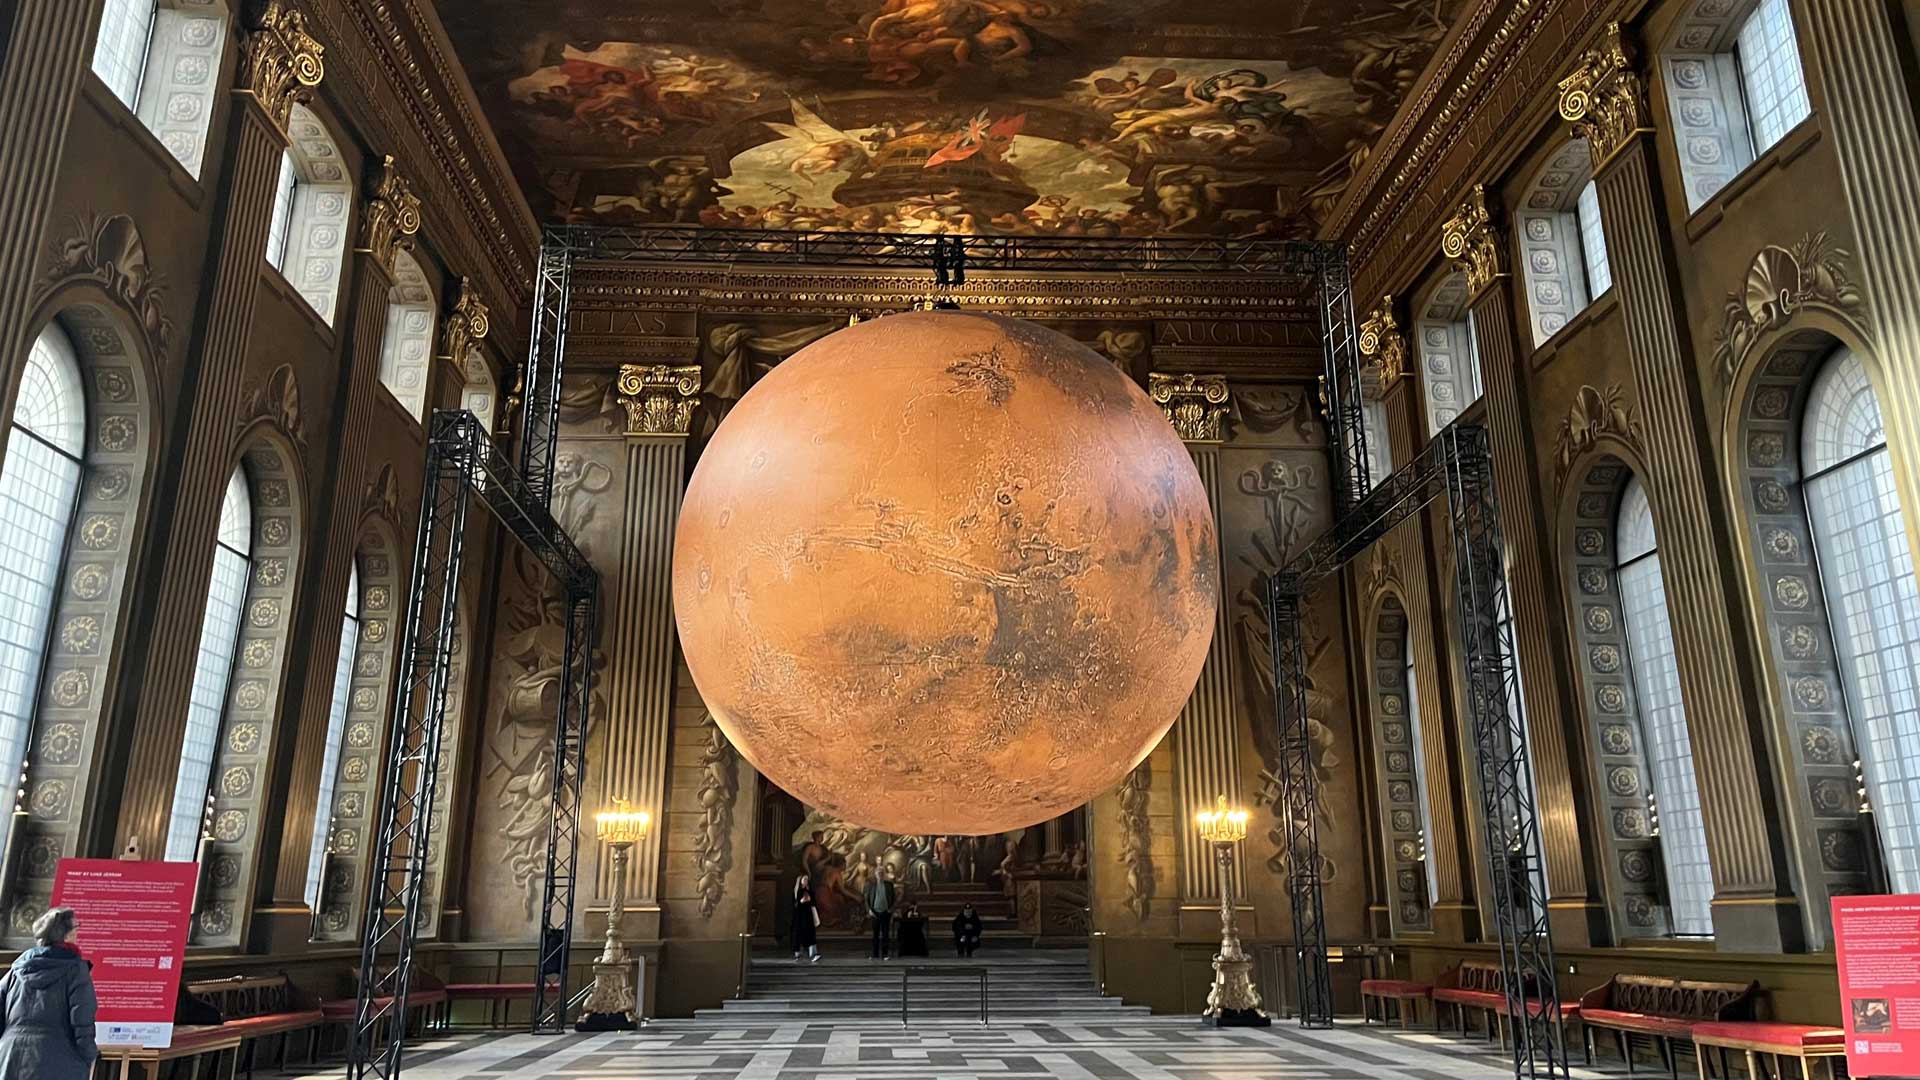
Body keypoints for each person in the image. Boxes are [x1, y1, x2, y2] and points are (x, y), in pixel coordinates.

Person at [0, 907, 98, 1079]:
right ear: (67, 935)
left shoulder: (16, 970)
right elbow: (82, 1019)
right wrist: (88, 1054)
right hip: (59, 1058)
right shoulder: (75, 970)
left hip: (10, 1056)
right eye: (76, 927)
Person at [863, 865, 897, 960]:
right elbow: (866, 900)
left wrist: (891, 909)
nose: (880, 874)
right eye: (878, 873)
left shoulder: (889, 885)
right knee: (875, 935)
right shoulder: (871, 885)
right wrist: (869, 910)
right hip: (874, 913)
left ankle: (885, 954)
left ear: (884, 874)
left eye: (882, 873)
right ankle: (875, 954)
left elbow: (894, 899)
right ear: (875, 874)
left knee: (885, 934)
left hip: (886, 912)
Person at [791, 874, 821, 963]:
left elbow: (813, 902)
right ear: (800, 881)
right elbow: (795, 905)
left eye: (807, 880)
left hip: (809, 916)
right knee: (799, 935)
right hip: (800, 917)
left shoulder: (810, 891)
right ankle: (797, 954)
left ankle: (813, 954)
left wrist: (810, 900)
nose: (806, 881)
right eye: (804, 879)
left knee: (811, 934)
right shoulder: (797, 892)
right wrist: (801, 901)